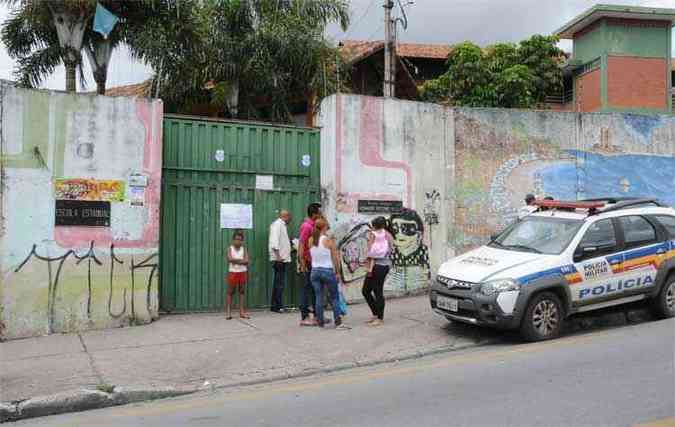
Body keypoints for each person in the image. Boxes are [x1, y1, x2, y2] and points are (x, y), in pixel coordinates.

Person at [309, 218, 350, 330]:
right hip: (327, 270)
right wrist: (337, 272)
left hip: (315, 271)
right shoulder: (328, 240)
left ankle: (320, 322)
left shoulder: (311, 240)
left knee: (318, 297)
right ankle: (338, 322)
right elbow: (335, 258)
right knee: (334, 297)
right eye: (327, 226)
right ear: (324, 227)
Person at [362, 216, 394, 326]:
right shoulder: (388, 235)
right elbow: (391, 250)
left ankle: (380, 318)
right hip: (380, 265)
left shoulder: (373, 235)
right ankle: (376, 313)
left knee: (377, 291)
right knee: (366, 290)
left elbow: (369, 250)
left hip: (379, 266)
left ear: (374, 225)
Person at [297, 202, 322, 326]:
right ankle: (304, 317)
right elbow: (301, 244)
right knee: (305, 289)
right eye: (319, 212)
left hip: (313, 262)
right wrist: (302, 263)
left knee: (314, 289)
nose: (321, 214)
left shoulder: (314, 225)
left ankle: (317, 316)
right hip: (306, 262)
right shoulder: (306, 226)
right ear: (314, 214)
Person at [269, 210, 292, 313]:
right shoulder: (278, 225)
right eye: (289, 217)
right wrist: (278, 257)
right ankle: (277, 306)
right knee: (279, 283)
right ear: (285, 216)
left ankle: (275, 305)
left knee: (278, 283)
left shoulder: (281, 225)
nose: (290, 219)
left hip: (281, 258)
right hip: (279, 259)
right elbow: (274, 242)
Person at [226, 230, 249, 320]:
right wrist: (241, 261)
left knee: (242, 291)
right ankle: (228, 312)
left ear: (242, 240)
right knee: (230, 292)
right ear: (233, 240)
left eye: (240, 240)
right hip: (233, 272)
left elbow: (247, 261)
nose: (238, 241)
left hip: (242, 272)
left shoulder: (244, 249)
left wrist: (235, 261)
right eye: (236, 239)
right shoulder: (230, 249)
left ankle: (241, 312)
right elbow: (229, 259)